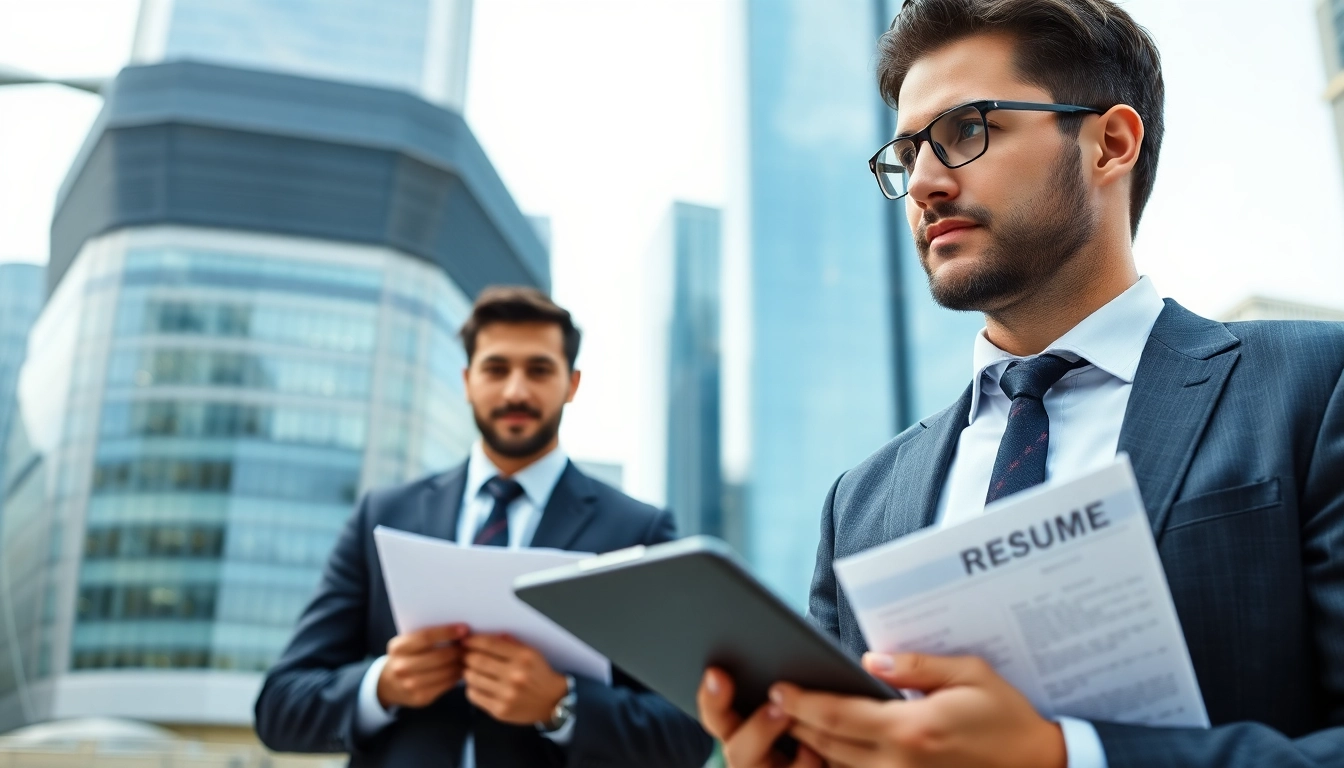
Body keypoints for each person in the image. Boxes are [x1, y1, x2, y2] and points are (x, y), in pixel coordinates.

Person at [696, 1, 1344, 766]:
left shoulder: (1315, 386)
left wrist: (1063, 756)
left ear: (1110, 143)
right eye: (907, 156)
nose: (926, 183)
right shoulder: (860, 503)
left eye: (966, 131)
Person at [255, 286, 712, 767]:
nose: (516, 390)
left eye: (539, 369)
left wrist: (562, 705)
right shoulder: (382, 516)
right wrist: (383, 685)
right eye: (496, 369)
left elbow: (690, 733)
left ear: (571, 384)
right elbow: (280, 707)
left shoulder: (636, 530)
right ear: (468, 381)